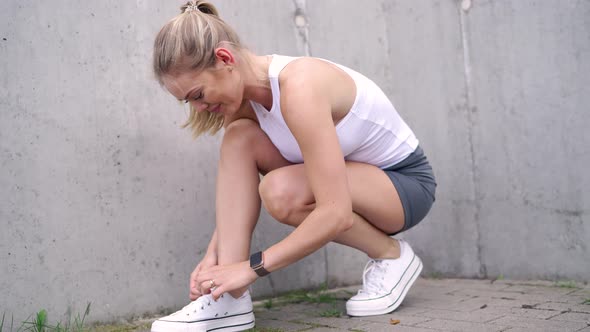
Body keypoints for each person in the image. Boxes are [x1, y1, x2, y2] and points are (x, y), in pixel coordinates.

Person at [150, 1, 436, 331]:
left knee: (280, 192)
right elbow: (236, 201)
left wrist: (250, 267)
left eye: (197, 94)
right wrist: (215, 263)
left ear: (225, 59)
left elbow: (335, 212)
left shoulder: (299, 87)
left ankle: (391, 255)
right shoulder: (244, 108)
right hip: (351, 183)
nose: (199, 108)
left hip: (403, 187)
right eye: (190, 101)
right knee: (239, 139)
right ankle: (228, 302)